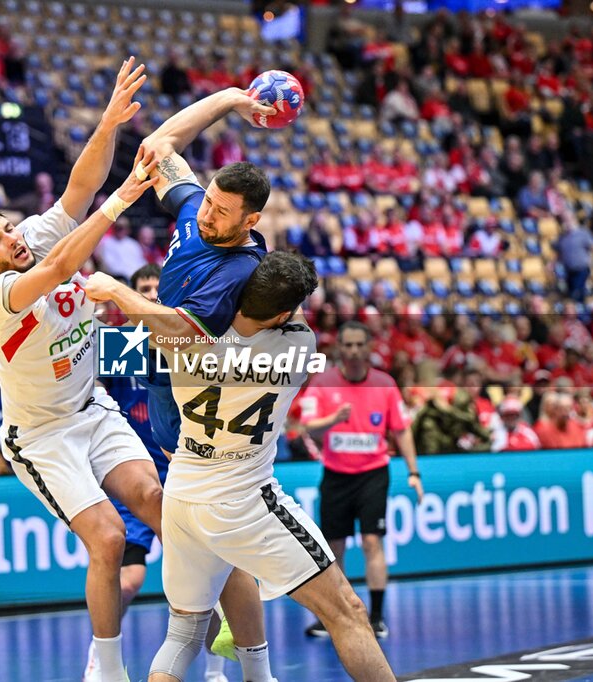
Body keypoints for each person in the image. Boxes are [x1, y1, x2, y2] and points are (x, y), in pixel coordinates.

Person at [86, 252, 394, 682]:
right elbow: (282, 303)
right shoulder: (297, 345)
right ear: (285, 313)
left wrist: (119, 295)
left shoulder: (180, 339)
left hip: (182, 491)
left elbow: (129, 342)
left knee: (181, 636)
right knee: (347, 610)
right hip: (242, 496)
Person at [0, 58, 162, 682]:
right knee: (105, 538)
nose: (12, 238)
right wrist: (125, 197)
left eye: (9, 228)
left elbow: (77, 188)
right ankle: (107, 666)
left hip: (92, 407)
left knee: (161, 505)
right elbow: (56, 268)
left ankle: (194, 640)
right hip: (41, 436)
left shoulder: (36, 238)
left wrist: (107, 125)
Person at [82, 85, 282, 678]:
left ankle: (243, 665)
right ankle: (235, 662)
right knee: (203, 552)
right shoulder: (199, 216)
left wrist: (119, 292)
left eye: (221, 211)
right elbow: (159, 144)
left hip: (196, 405)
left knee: (212, 551)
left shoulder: (240, 266)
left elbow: (184, 335)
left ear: (252, 220)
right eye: (208, 201)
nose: (205, 213)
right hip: (160, 385)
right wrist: (228, 98)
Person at [85, 264, 228, 682]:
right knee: (127, 581)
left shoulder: (188, 341)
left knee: (203, 578)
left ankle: (216, 670)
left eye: (154, 289)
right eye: (141, 289)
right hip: (134, 480)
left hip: (185, 475)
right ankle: (101, 656)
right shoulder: (124, 344)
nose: (149, 295)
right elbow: (90, 391)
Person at [296, 321, 423, 639]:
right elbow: (308, 428)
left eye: (359, 345)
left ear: (368, 348)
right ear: (339, 348)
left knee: (371, 541)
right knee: (334, 546)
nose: (353, 351)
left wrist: (414, 472)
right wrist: (335, 419)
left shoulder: (385, 383)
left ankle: (377, 617)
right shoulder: (323, 383)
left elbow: (401, 430)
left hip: (373, 474)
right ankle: (334, 618)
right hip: (336, 475)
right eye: (347, 345)